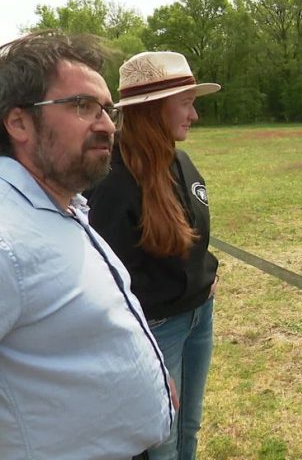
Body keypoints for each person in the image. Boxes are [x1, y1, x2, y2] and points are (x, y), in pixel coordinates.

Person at [0, 31, 175, 459]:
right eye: (82, 106)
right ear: (18, 122)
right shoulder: (7, 238)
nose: (107, 125)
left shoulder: (61, 205)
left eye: (107, 109)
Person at [85, 51, 220, 460]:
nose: (194, 115)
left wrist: (206, 274)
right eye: (185, 103)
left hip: (198, 317)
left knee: (188, 429)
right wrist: (142, 357)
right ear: (153, 110)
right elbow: (103, 282)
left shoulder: (180, 161)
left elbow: (193, 238)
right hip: (156, 331)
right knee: (159, 441)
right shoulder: (110, 180)